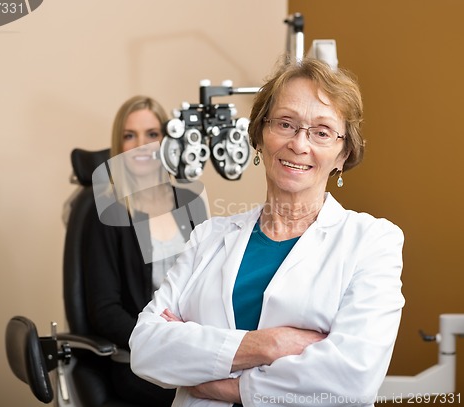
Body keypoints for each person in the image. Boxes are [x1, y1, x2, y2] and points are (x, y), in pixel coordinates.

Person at [129, 58, 405, 407]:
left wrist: (224, 384)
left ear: (343, 153)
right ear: (260, 134)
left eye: (321, 132)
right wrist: (269, 345)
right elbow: (146, 348)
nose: (299, 144)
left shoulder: (372, 242)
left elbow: (351, 380)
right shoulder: (209, 238)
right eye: (285, 124)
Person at [83, 95, 208, 406]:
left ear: (168, 141)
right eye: (130, 136)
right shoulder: (107, 212)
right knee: (210, 395)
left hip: (194, 346)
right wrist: (160, 342)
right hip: (141, 359)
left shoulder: (190, 201)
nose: (141, 146)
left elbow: (208, 282)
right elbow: (105, 311)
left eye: (152, 134)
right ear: (119, 145)